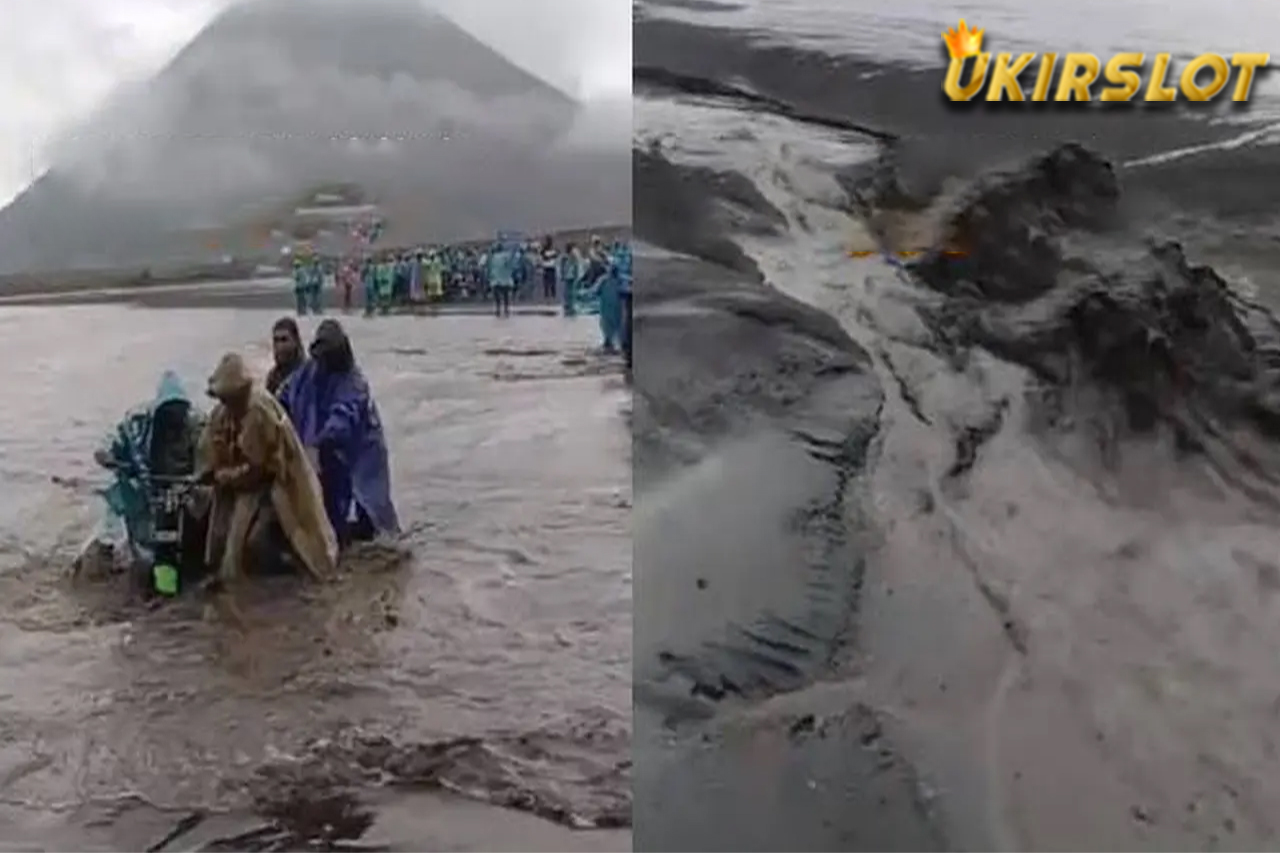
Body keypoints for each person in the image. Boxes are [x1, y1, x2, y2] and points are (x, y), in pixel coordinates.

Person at [199, 352, 337, 584]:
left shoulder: (258, 411)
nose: (225, 403)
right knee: (221, 533)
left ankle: (294, 568)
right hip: (242, 480)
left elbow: (260, 467)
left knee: (302, 533)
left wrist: (229, 476)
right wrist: (210, 472)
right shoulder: (222, 414)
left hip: (278, 478)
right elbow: (210, 448)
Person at [278, 320, 400, 547]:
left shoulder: (354, 382)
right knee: (326, 512)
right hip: (321, 450)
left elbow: (343, 419)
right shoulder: (308, 372)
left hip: (360, 452)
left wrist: (317, 443)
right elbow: (284, 396)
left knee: (373, 515)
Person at [84, 370, 207, 576]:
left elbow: (210, 457)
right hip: (147, 489)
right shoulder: (137, 425)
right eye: (167, 413)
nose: (173, 419)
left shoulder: (199, 424)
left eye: (178, 412)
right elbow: (109, 443)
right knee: (123, 536)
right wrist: (106, 456)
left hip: (187, 489)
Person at [266, 317, 305, 396]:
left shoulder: (305, 375)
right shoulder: (273, 376)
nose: (280, 345)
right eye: (276, 340)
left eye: (284, 340)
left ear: (295, 342)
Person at [487, 239, 516, 317]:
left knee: (497, 298)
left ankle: (498, 310)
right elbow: (511, 263)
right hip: (506, 280)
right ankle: (506, 310)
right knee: (506, 296)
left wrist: (490, 276)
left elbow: (489, 267)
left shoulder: (493, 257)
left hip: (496, 280)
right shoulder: (506, 255)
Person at [539, 236, 558, 301]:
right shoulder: (544, 249)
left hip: (552, 267)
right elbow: (543, 256)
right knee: (546, 283)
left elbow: (556, 255)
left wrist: (549, 256)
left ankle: (553, 295)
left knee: (552, 282)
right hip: (546, 267)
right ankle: (547, 295)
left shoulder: (554, 249)